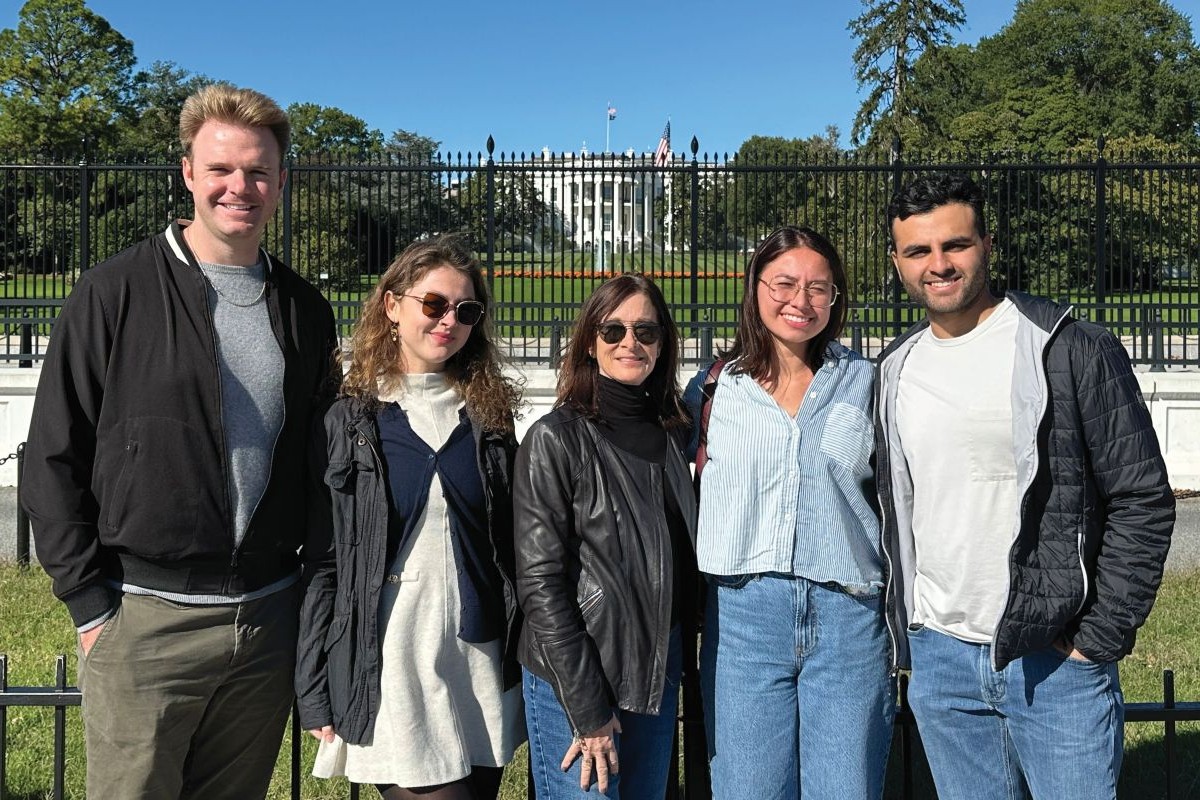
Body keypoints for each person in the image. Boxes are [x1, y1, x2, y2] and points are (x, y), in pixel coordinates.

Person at [21, 84, 338, 799]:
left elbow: (319, 463)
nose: (240, 187)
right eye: (222, 169)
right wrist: (89, 605)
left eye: (258, 171)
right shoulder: (113, 292)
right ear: (188, 173)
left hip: (265, 616)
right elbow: (52, 455)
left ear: (282, 181)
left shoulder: (304, 309)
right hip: (144, 619)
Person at [876, 173, 1175, 799]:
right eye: (918, 251)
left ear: (987, 242)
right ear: (897, 261)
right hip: (942, 657)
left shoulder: (1070, 348)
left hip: (1054, 656)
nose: (938, 265)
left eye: (955, 245)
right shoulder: (895, 369)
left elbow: (1141, 498)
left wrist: (1099, 637)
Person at [295, 236, 525, 800]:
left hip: (478, 655)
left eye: (466, 311)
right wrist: (313, 682)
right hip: (392, 656)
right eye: (433, 304)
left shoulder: (489, 421)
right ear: (392, 306)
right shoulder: (348, 421)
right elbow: (326, 561)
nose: (449, 321)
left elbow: (510, 546)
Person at [687, 226, 895, 799]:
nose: (800, 301)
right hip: (744, 615)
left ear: (835, 298)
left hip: (848, 614)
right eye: (784, 283)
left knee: (846, 789)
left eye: (818, 288)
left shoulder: (865, 381)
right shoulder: (712, 389)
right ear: (755, 287)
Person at [514, 274, 697, 799]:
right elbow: (540, 585)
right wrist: (588, 706)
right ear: (590, 343)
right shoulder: (557, 438)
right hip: (582, 668)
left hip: (657, 665)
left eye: (646, 331)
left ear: (664, 344)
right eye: (613, 330)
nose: (630, 343)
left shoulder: (672, 432)